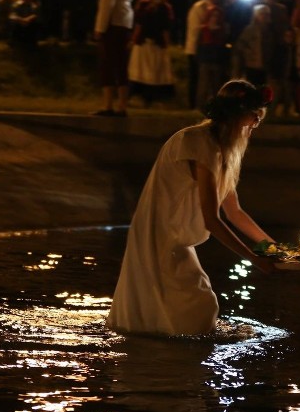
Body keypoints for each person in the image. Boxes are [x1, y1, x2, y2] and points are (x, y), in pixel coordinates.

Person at [107, 79, 276, 336]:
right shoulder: (198, 142)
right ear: (235, 115)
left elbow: (235, 212)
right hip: (161, 236)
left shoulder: (221, 151)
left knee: (195, 309)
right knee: (197, 308)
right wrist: (254, 259)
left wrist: (277, 249)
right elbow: (212, 219)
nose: (254, 126)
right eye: (254, 118)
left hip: (177, 238)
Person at [95, 0, 140, 116]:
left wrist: (100, 26)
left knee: (107, 62)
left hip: (113, 20)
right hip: (126, 18)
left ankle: (107, 105)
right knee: (122, 63)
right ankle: (122, 104)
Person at [128, 0, 176, 107]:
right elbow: (139, 24)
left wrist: (166, 44)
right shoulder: (143, 4)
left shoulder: (165, 8)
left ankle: (153, 97)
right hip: (143, 42)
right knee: (140, 70)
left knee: (155, 71)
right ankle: (138, 96)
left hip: (157, 44)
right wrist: (134, 40)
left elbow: (166, 28)